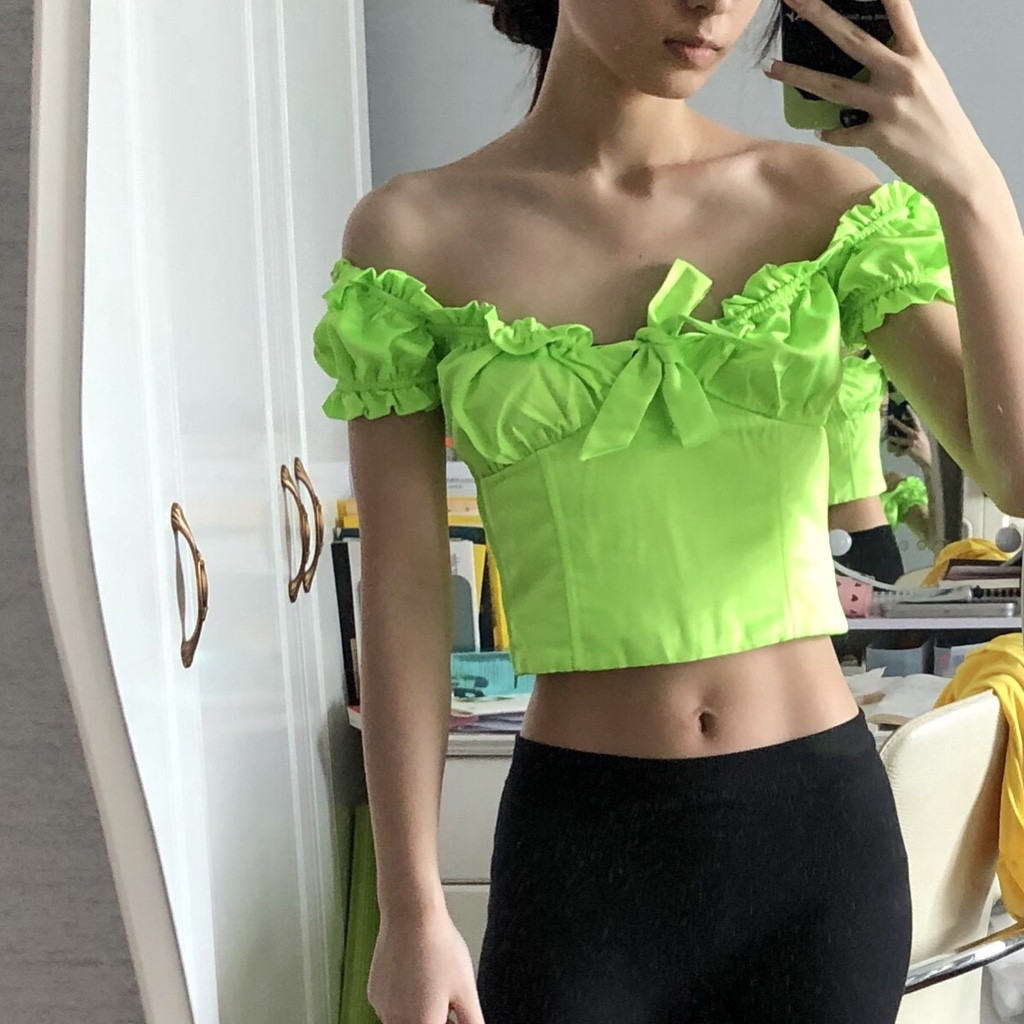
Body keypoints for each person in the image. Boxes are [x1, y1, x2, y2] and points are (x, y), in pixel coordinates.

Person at [311, 1, 1024, 1021]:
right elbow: (404, 587)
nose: (712, 5)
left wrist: (971, 184)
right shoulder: (414, 235)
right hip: (580, 847)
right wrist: (409, 907)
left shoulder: (824, 205)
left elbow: (1014, 474)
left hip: (816, 848)